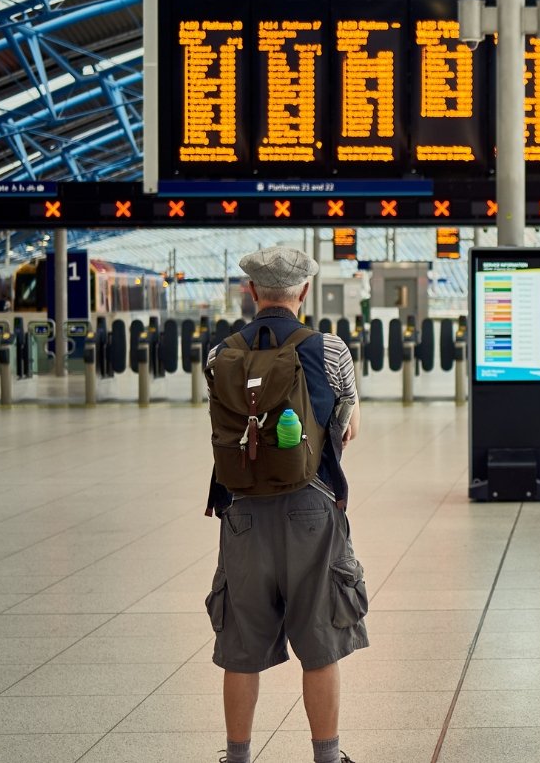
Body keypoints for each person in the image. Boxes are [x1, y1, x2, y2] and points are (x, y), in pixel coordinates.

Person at [204, 247, 365, 763]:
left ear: (252, 293)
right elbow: (349, 429)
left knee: (241, 647)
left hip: (243, 512)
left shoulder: (219, 354)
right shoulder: (330, 350)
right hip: (312, 511)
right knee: (319, 644)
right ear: (304, 292)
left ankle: (237, 756)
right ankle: (327, 756)